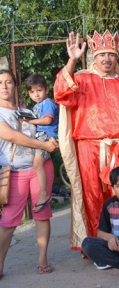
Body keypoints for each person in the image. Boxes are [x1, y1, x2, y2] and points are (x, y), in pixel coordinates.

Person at [54, 31, 119, 253]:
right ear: (94, 56)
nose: (107, 59)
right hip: (88, 148)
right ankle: (98, 247)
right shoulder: (81, 79)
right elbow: (61, 93)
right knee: (92, 198)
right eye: (102, 55)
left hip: (117, 148)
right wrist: (72, 60)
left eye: (110, 54)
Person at [0, 69, 59, 278]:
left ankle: (42, 260)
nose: (5, 86)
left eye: (8, 82)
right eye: (0, 83)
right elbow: (12, 136)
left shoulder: (27, 110)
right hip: (15, 171)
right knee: (8, 222)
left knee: (42, 216)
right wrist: (42, 143)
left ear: (15, 86)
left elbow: (48, 127)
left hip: (40, 168)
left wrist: (51, 143)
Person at [23, 74, 59, 212]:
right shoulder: (38, 105)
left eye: (39, 90)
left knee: (37, 164)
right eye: (32, 92)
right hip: (40, 136)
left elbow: (47, 120)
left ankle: (44, 193)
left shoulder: (48, 103)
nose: (36, 94)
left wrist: (29, 121)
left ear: (46, 90)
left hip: (46, 137)